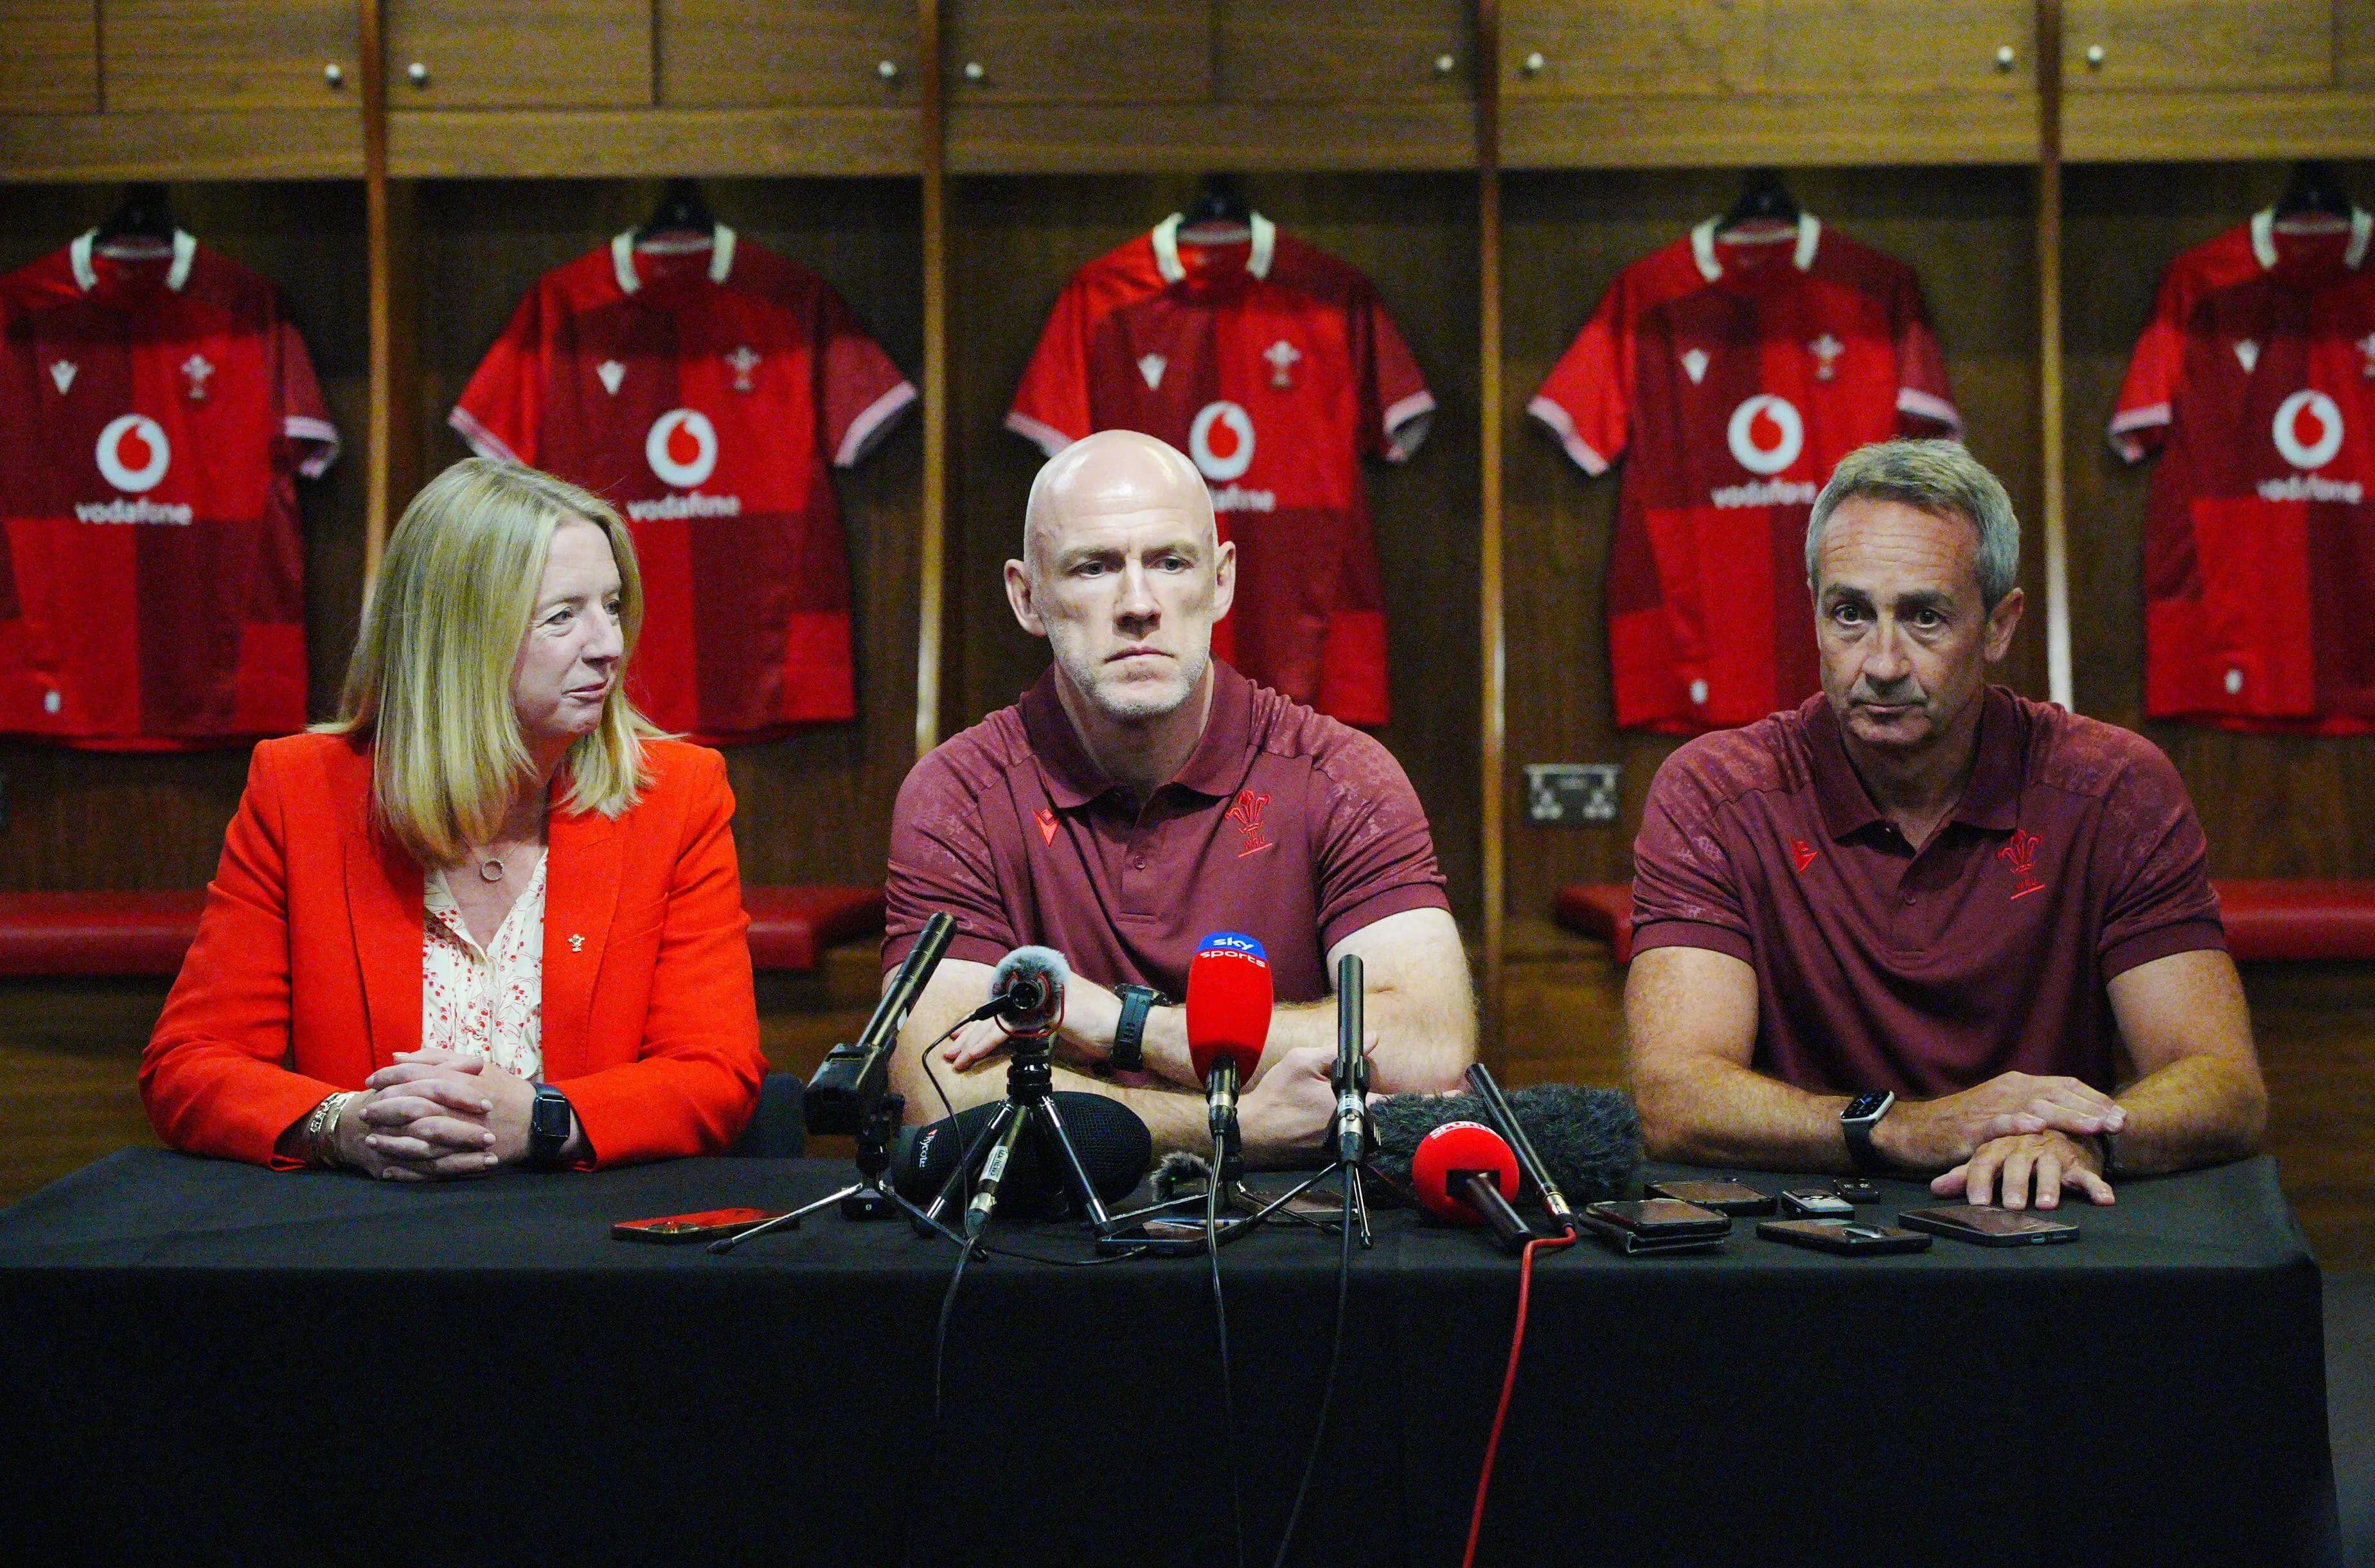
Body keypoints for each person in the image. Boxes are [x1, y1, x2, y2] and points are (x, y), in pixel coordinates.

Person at [1626, 439, 2266, 1209]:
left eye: (1925, 617)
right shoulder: (1714, 792)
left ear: (2000, 626)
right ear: (1814, 613)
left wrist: (2077, 1136)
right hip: (1801, 1243)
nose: (1883, 661)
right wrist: (1906, 1128)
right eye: (1850, 614)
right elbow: (1673, 1097)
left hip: (2044, 1223)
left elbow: (2225, 1084)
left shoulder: (2113, 787)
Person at [141, 458, 765, 1178]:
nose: (609, 646)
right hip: (371, 1240)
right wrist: (342, 1124)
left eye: (613, 606)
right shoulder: (300, 790)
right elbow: (188, 1066)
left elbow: (718, 1072)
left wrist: (541, 1117)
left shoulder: (678, 795)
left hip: (588, 1242)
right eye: (564, 615)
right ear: (461, 636)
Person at [883, 430, 1473, 1162]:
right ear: (1026, 596)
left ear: (1221, 581)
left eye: (1169, 562)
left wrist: (1126, 1026)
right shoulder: (958, 794)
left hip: (1300, 1238)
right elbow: (935, 1086)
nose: (1139, 603)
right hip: (1051, 1240)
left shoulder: (1342, 775)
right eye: (1093, 568)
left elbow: (1429, 1045)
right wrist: (1236, 1126)